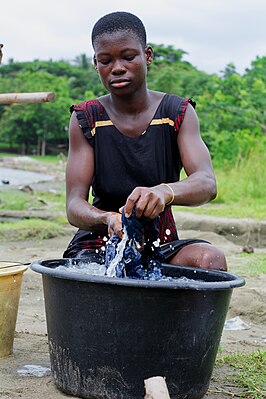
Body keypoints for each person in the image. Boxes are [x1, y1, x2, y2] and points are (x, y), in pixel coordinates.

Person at [63, 11, 227, 271]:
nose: (117, 68)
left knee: (210, 260)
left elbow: (206, 183)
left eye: (128, 57)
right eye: (106, 61)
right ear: (96, 63)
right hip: (99, 239)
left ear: (147, 55)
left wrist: (163, 192)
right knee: (87, 274)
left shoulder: (177, 112)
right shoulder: (87, 118)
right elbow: (74, 206)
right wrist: (108, 218)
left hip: (157, 240)